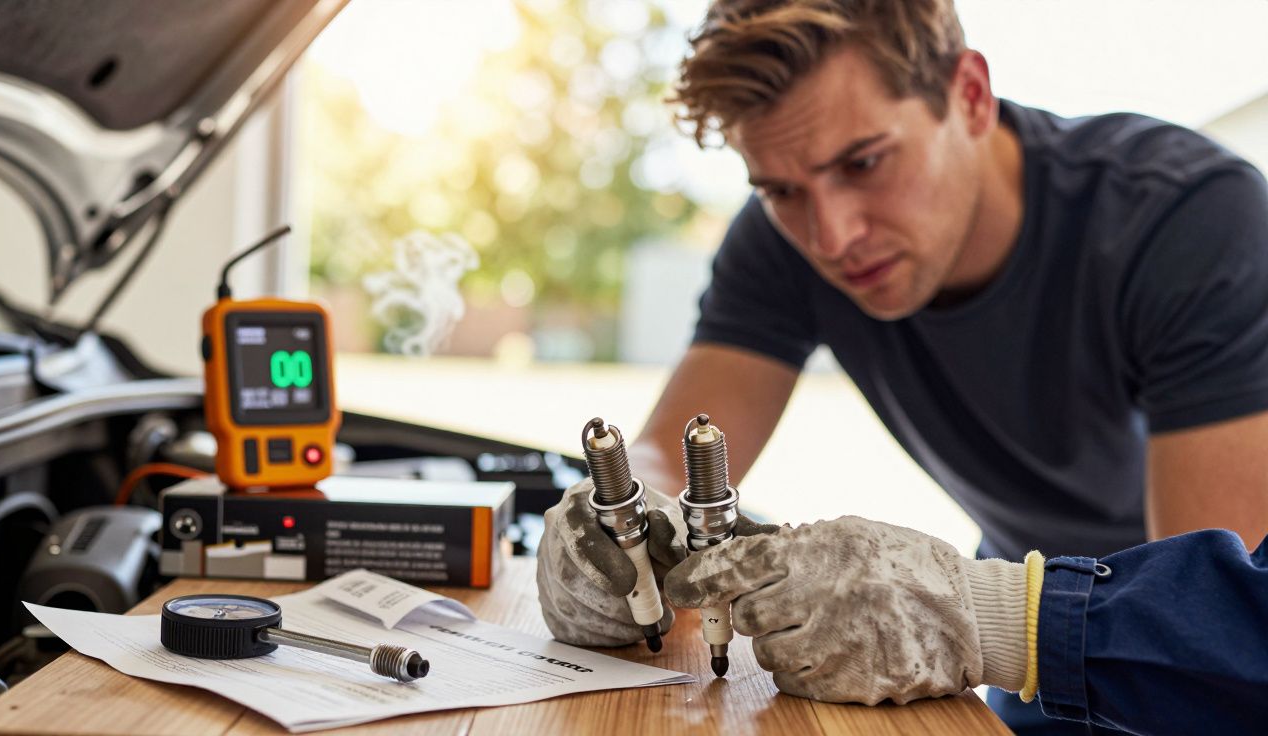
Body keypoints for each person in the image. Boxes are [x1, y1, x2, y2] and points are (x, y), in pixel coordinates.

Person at [536, 0, 1268, 732]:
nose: (832, 236)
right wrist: (618, 527)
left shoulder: (1189, 222)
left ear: (971, 96)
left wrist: (981, 613)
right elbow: (676, 446)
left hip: (1145, 671)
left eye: (863, 163)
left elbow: (1197, 627)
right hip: (1012, 670)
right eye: (782, 190)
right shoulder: (782, 243)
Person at [662, 515, 1268, 736]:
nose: (837, 234)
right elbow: (663, 447)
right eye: (792, 215)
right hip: (1053, 679)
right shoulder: (781, 256)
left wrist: (1006, 613)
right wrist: (647, 515)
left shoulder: (1187, 244)